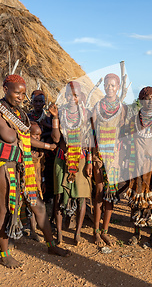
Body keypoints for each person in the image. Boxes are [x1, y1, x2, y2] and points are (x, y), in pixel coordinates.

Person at [0, 74, 70, 269]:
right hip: (3, 169)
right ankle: (4, 254)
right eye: (17, 93)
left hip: (24, 168)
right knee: (4, 212)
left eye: (23, 94)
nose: (20, 97)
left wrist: (46, 145)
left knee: (39, 207)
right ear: (5, 89)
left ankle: (51, 245)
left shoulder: (20, 115)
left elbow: (25, 141)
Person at [124, 86, 152, 247]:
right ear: (141, 100)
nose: (150, 102)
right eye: (146, 99)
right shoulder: (133, 121)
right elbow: (128, 143)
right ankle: (136, 233)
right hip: (137, 165)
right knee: (136, 199)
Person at [50, 81, 92, 246]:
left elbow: (89, 141)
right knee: (59, 196)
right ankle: (59, 233)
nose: (71, 97)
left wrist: (89, 162)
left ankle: (77, 233)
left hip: (81, 159)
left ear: (80, 97)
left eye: (75, 95)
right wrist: (54, 118)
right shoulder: (59, 113)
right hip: (62, 158)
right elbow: (55, 139)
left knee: (81, 197)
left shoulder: (87, 114)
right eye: (68, 94)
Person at [90, 73, 127, 246]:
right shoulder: (97, 106)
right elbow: (91, 134)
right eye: (107, 85)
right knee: (99, 191)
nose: (110, 88)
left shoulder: (122, 108)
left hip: (114, 156)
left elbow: (123, 133)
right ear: (103, 86)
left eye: (113, 85)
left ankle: (105, 231)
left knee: (110, 193)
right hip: (98, 155)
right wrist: (91, 158)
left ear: (118, 87)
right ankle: (96, 231)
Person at [28, 90, 55, 204]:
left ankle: (47, 198)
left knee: (47, 175)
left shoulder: (49, 117)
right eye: (36, 101)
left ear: (44, 103)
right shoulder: (27, 117)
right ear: (31, 102)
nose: (38, 104)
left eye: (41, 101)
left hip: (47, 153)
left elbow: (55, 134)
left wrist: (46, 129)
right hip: (32, 152)